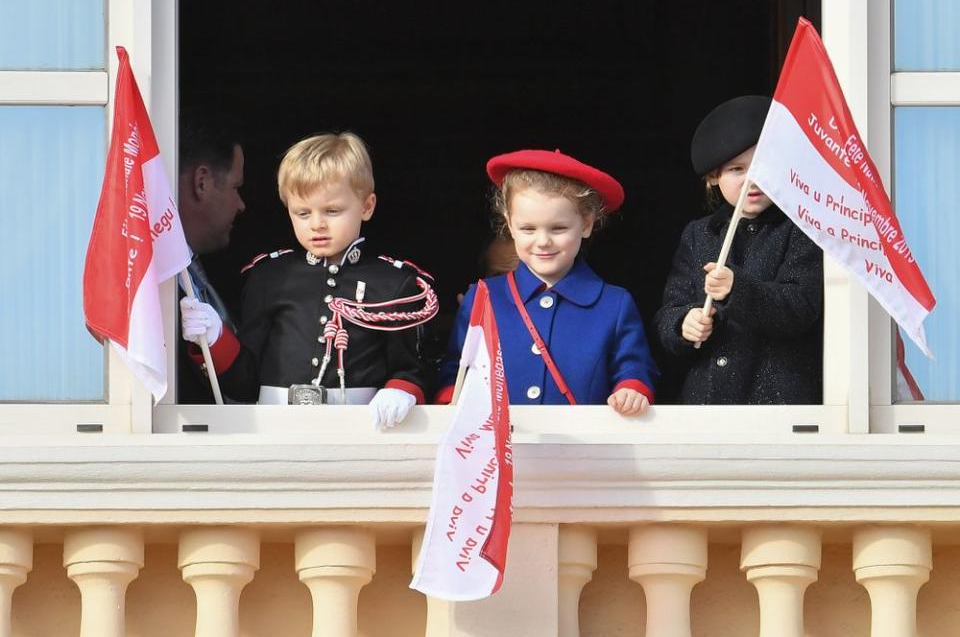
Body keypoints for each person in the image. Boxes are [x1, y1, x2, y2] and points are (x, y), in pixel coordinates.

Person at [180, 132, 436, 429]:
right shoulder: (269, 277)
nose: (317, 224)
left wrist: (401, 390)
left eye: (332, 211)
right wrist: (215, 338)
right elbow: (245, 384)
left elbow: (415, 369)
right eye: (302, 213)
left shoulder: (394, 284)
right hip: (276, 429)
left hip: (359, 431)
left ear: (367, 206)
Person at [435, 149, 658, 415]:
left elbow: (634, 367)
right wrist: (450, 400)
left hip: (584, 450)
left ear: (586, 223)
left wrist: (631, 390)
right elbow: (455, 370)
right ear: (509, 224)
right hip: (497, 453)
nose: (543, 241)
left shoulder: (615, 303)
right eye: (528, 229)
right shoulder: (483, 296)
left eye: (558, 228)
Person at [653, 95, 822, 404]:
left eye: (762, 166)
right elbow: (670, 309)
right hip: (709, 399)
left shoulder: (802, 229)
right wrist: (683, 323)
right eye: (736, 169)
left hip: (778, 400)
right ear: (713, 178)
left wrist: (737, 288)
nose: (751, 179)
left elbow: (801, 308)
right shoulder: (698, 234)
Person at [176, 111, 246, 404]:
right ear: (202, 182)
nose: (241, 205)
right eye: (236, 187)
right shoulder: (152, 279)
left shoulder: (192, 267)